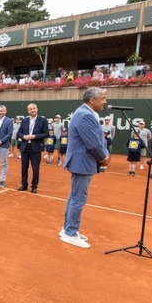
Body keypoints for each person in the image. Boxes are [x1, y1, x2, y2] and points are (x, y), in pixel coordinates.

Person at [60, 87, 110, 249]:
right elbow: (93, 142)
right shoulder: (85, 115)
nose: (105, 102)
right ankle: (70, 232)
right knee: (78, 198)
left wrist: (104, 153)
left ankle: (67, 229)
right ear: (92, 100)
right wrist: (103, 157)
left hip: (82, 161)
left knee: (75, 196)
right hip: (82, 162)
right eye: (102, 99)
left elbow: (98, 138)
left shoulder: (85, 113)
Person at [16, 103, 49, 193]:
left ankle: (34, 186)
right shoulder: (24, 121)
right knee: (24, 167)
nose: (32, 110)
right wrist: (23, 137)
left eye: (34, 108)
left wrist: (34, 136)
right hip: (25, 147)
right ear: (28, 111)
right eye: (30, 109)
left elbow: (46, 133)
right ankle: (24, 185)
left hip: (36, 147)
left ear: (37, 109)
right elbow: (19, 133)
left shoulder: (43, 120)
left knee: (35, 168)